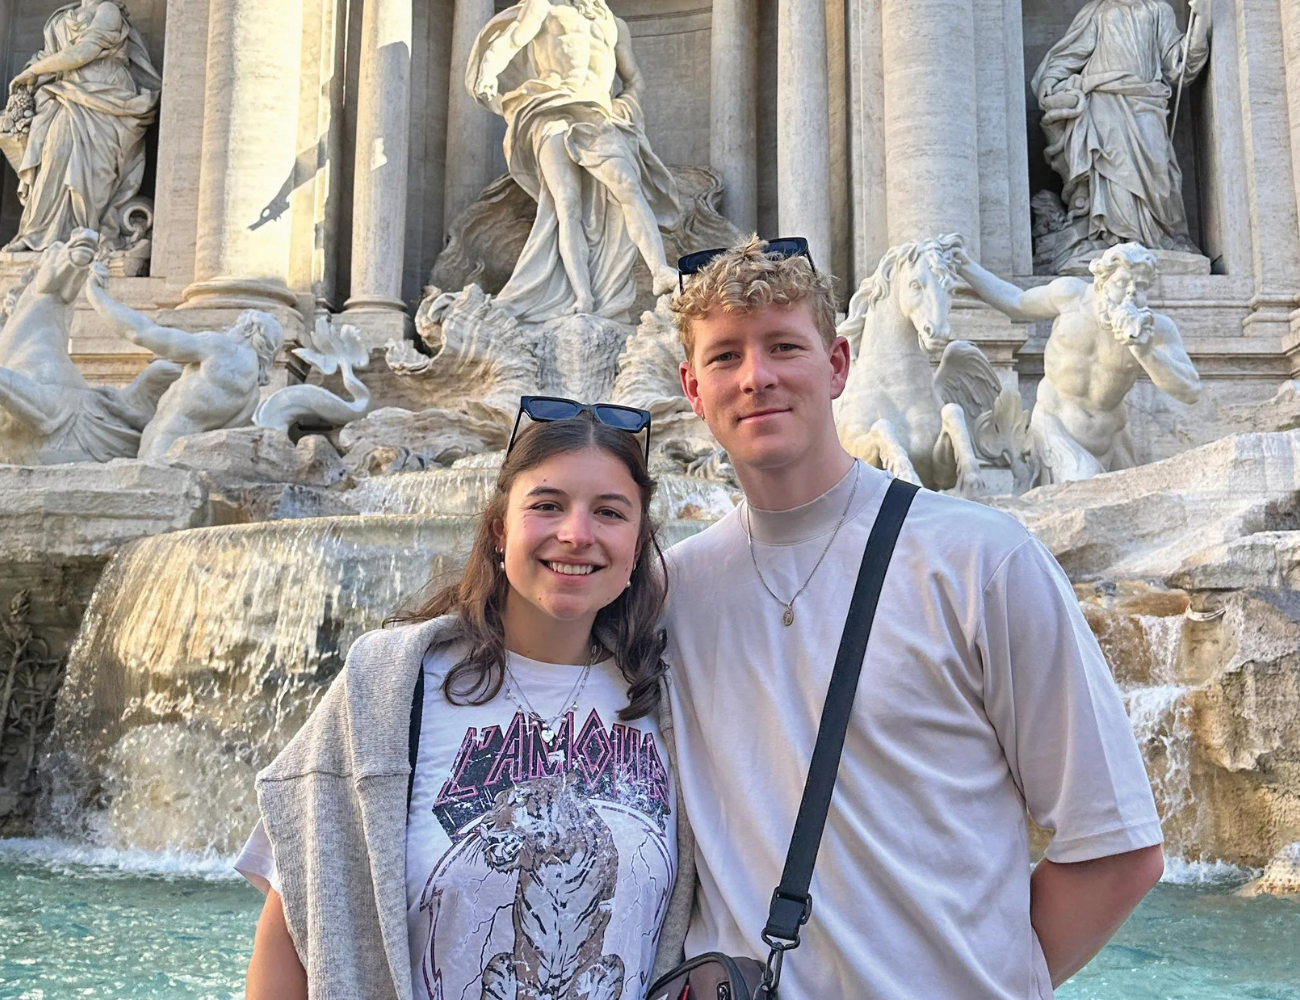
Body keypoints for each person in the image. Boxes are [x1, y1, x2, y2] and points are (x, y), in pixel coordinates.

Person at [663, 236, 1165, 997]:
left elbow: (1117, 849)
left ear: (837, 366)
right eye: (725, 356)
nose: (756, 377)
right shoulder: (670, 591)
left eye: (783, 347)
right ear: (693, 388)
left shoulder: (982, 560)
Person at [236, 400, 693, 1000]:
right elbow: (297, 910)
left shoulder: (667, 701)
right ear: (501, 528)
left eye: (609, 512)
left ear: (636, 548)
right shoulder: (389, 685)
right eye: (547, 505)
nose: (577, 534)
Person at [467, 0, 680, 322]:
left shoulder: (613, 23)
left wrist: (628, 101)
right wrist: (486, 77)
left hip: (599, 116)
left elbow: (634, 79)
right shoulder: (544, 7)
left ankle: (659, 271)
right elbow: (510, 40)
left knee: (628, 186)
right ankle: (582, 295)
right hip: (551, 109)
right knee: (565, 204)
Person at [955, 240, 1200, 483]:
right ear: (1101, 282)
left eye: (1141, 286)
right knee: (1088, 489)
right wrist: (965, 266)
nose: (1131, 293)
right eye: (1122, 283)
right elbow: (1015, 302)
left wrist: (1145, 352)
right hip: (1055, 426)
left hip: (1111, 438)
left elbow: (1189, 390)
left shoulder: (1157, 330)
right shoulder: (1070, 296)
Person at [1031, 0, 1209, 271]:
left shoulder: (1159, 9)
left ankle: (1159, 237)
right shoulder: (1097, 10)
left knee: (1158, 172)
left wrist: (1201, 19)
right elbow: (1070, 55)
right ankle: (1111, 238)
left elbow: (1179, 65)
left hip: (1145, 100)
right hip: (1103, 102)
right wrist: (1049, 81)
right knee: (1111, 168)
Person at [84, 264, 283, 463]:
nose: (229, 329)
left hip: (157, 456)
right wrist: (124, 413)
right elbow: (187, 421)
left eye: (236, 325)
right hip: (179, 462)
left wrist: (96, 294)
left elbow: (142, 333)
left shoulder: (221, 348)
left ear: (248, 330)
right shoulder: (251, 397)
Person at [4, 0, 161, 252]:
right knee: (54, 155)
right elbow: (50, 55)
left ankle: (86, 232)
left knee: (93, 169)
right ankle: (39, 233)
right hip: (65, 95)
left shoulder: (108, 11)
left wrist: (33, 70)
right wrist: (32, 75)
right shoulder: (62, 16)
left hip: (106, 97)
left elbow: (83, 52)